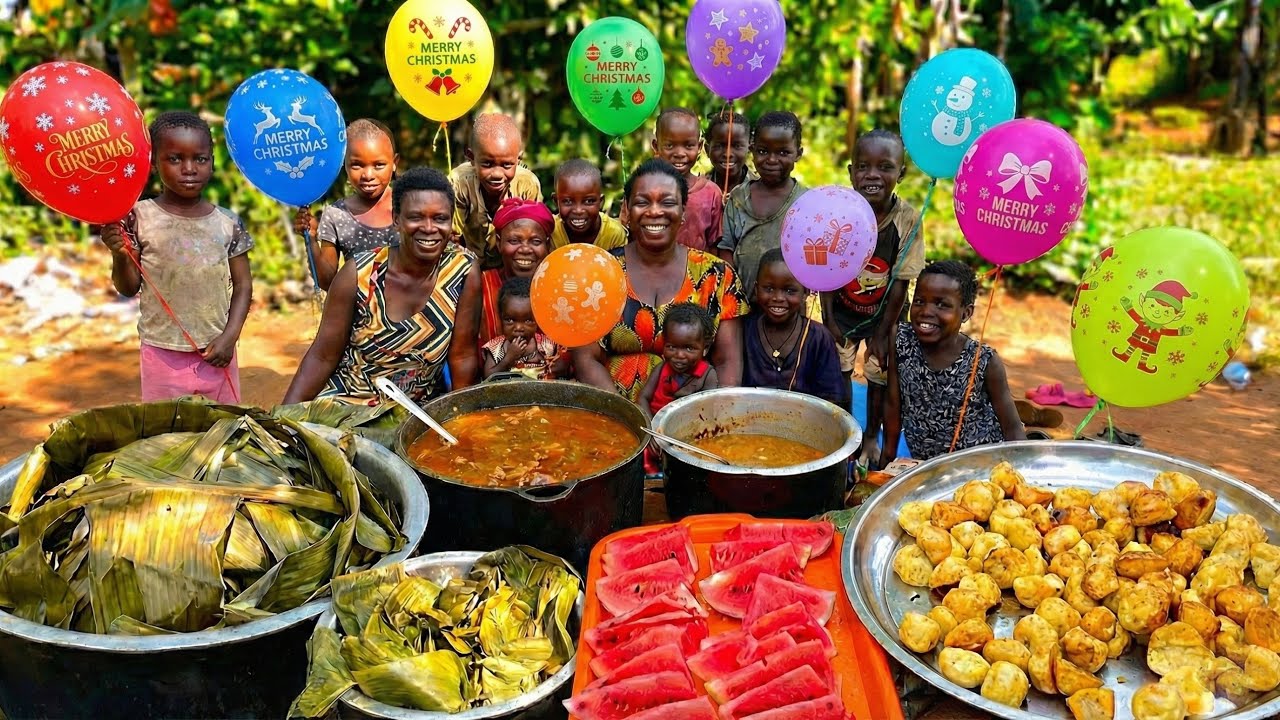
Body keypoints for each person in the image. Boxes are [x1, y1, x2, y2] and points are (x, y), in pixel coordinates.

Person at [282, 167, 482, 405]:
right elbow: (322, 357)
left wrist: (461, 420)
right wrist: (283, 421)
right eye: (416, 217)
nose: (429, 228)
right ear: (396, 220)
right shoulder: (359, 273)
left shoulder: (462, 271)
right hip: (347, 405)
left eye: (440, 218)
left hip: (415, 415)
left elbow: (462, 356)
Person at [100, 111, 252, 403]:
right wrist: (119, 255)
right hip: (162, 354)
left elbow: (243, 286)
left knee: (222, 434)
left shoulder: (227, 222)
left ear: (212, 162)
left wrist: (229, 338)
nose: (189, 168)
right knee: (167, 437)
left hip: (217, 353)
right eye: (175, 159)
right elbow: (128, 287)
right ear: (154, 164)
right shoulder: (138, 217)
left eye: (200, 158)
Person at [572, 159, 748, 403]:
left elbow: (727, 362)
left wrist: (709, 417)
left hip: (690, 419)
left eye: (667, 202)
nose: (654, 211)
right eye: (643, 202)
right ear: (627, 210)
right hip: (612, 416)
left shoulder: (718, 276)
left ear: (684, 211)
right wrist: (627, 418)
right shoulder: (599, 273)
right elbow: (586, 358)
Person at [821, 129, 925, 461]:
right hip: (842, 310)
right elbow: (823, 269)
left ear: (901, 173)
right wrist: (828, 319)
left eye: (885, 167)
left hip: (886, 314)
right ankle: (847, 431)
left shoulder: (907, 219)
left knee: (879, 374)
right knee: (840, 372)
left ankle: (869, 436)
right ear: (851, 171)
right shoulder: (837, 212)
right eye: (863, 166)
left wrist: (883, 332)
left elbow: (900, 280)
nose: (872, 175)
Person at [880, 261, 1025, 466]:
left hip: (979, 465)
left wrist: (1021, 469)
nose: (926, 311)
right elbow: (893, 403)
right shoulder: (901, 339)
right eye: (920, 301)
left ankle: (1034, 427)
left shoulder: (984, 361)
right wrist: (887, 457)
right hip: (926, 464)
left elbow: (1012, 428)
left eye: (942, 304)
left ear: (966, 313)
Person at [293, 119, 399, 290]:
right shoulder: (336, 214)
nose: (368, 175)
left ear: (395, 163)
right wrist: (311, 239)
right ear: (344, 163)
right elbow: (327, 282)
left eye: (379, 165)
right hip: (359, 313)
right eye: (357, 165)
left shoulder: (409, 206)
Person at [717, 111, 807, 294]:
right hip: (743, 305)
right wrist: (731, 294)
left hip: (787, 308)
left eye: (783, 152)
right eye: (763, 151)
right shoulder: (738, 198)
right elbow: (726, 249)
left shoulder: (806, 202)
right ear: (752, 149)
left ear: (798, 153)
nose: (771, 160)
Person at [744, 250, 845, 405]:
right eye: (769, 289)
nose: (778, 298)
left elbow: (832, 397)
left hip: (805, 424)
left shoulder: (819, 338)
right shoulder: (745, 331)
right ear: (756, 289)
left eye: (789, 290)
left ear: (805, 292)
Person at [449, 113, 542, 270]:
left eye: (507, 165)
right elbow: (451, 237)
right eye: (487, 164)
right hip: (467, 265)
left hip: (511, 268)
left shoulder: (527, 185)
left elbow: (532, 237)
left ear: (518, 160)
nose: (497, 174)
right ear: (471, 157)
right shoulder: (459, 182)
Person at [478, 197, 554, 347]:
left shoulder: (559, 288)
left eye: (536, 241)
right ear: (499, 243)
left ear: (548, 245)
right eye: (514, 241)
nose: (525, 249)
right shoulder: (481, 285)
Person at [651, 107, 722, 251]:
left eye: (688, 145)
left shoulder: (711, 193)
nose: (679, 154)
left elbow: (714, 245)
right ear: (656, 146)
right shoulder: (643, 190)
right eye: (670, 145)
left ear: (700, 146)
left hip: (698, 271)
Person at [638, 302, 719, 416]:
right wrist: (651, 427)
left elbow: (709, 408)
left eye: (689, 348)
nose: (680, 355)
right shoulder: (661, 369)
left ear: (705, 348)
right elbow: (643, 398)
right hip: (655, 426)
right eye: (671, 347)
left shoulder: (707, 375)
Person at [482, 276, 566, 380]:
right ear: (500, 318)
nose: (518, 327)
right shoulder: (496, 348)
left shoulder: (548, 345)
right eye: (510, 320)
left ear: (537, 319)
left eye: (528, 321)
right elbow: (488, 377)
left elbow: (563, 369)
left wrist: (557, 367)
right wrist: (509, 358)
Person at [550, 158, 627, 251]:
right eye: (567, 201)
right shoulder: (551, 232)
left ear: (601, 202)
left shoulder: (614, 234)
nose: (578, 210)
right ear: (556, 201)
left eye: (589, 201)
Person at [705, 109, 753, 195]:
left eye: (737, 146)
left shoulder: (760, 191)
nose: (728, 154)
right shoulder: (698, 190)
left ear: (749, 148)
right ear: (707, 149)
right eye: (719, 146)